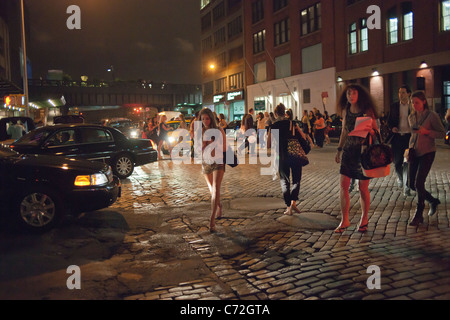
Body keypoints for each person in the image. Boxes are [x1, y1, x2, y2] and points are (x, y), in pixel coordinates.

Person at [334, 84, 379, 233]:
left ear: (359, 95)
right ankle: (344, 220)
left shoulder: (367, 111)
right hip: (348, 151)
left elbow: (376, 132)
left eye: (353, 93)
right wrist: (339, 150)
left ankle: (364, 218)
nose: (351, 96)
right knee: (343, 185)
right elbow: (344, 132)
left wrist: (371, 130)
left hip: (363, 152)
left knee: (362, 187)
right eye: (348, 94)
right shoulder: (346, 110)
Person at [407, 91, 446, 226]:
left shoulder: (432, 115)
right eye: (412, 102)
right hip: (414, 152)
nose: (414, 105)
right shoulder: (411, 116)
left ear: (424, 101)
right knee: (411, 184)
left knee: (419, 182)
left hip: (428, 152)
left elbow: (442, 134)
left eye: (416, 102)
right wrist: (410, 147)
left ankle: (419, 213)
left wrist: (427, 132)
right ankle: (433, 200)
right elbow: (413, 135)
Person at [267, 103, 308, 215]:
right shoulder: (292, 123)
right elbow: (303, 137)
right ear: (284, 112)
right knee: (296, 180)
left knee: (284, 181)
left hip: (282, 156)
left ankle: (288, 206)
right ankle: (293, 202)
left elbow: (268, 144)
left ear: (275, 114)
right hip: (295, 155)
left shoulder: (274, 126)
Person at [199, 108, 227, 233]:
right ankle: (219, 204)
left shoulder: (219, 130)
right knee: (211, 189)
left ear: (211, 118)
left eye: (207, 118)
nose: (205, 121)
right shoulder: (200, 132)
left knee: (216, 189)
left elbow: (225, 147)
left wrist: (212, 143)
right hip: (206, 163)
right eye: (203, 118)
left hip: (218, 162)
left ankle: (212, 220)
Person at [387, 85, 413, 196]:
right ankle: (401, 178)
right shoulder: (394, 106)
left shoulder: (412, 107)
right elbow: (389, 121)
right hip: (397, 138)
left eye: (403, 92)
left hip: (409, 138)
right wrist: (392, 127)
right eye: (399, 92)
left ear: (408, 94)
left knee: (407, 162)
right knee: (397, 162)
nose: (400, 95)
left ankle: (407, 186)